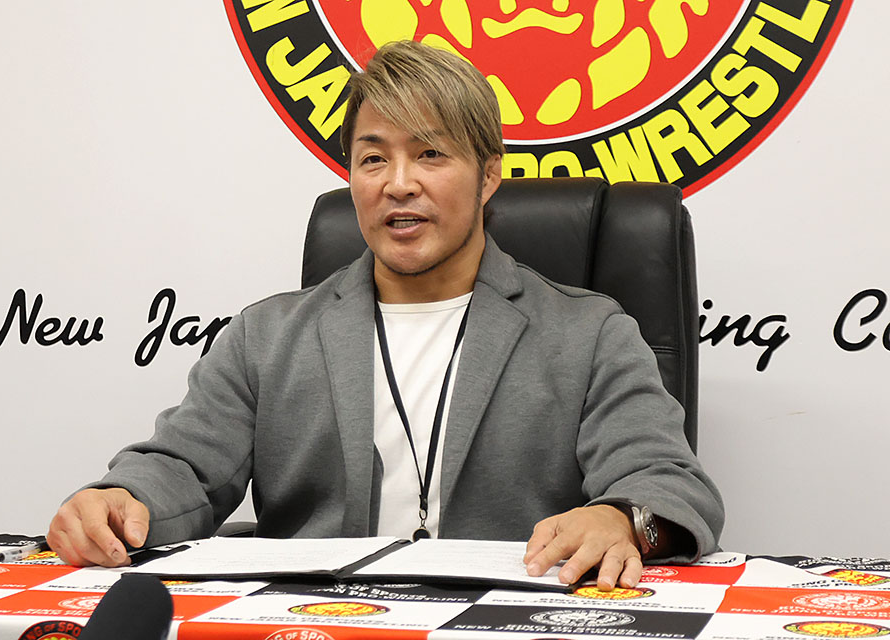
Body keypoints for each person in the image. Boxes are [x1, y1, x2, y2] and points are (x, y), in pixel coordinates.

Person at [48, 40, 723, 590]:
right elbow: (183, 469)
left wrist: (622, 519)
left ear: (489, 175)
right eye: (373, 159)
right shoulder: (267, 337)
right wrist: (121, 499)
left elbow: (668, 483)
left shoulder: (589, 334)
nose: (398, 183)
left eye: (430, 154)